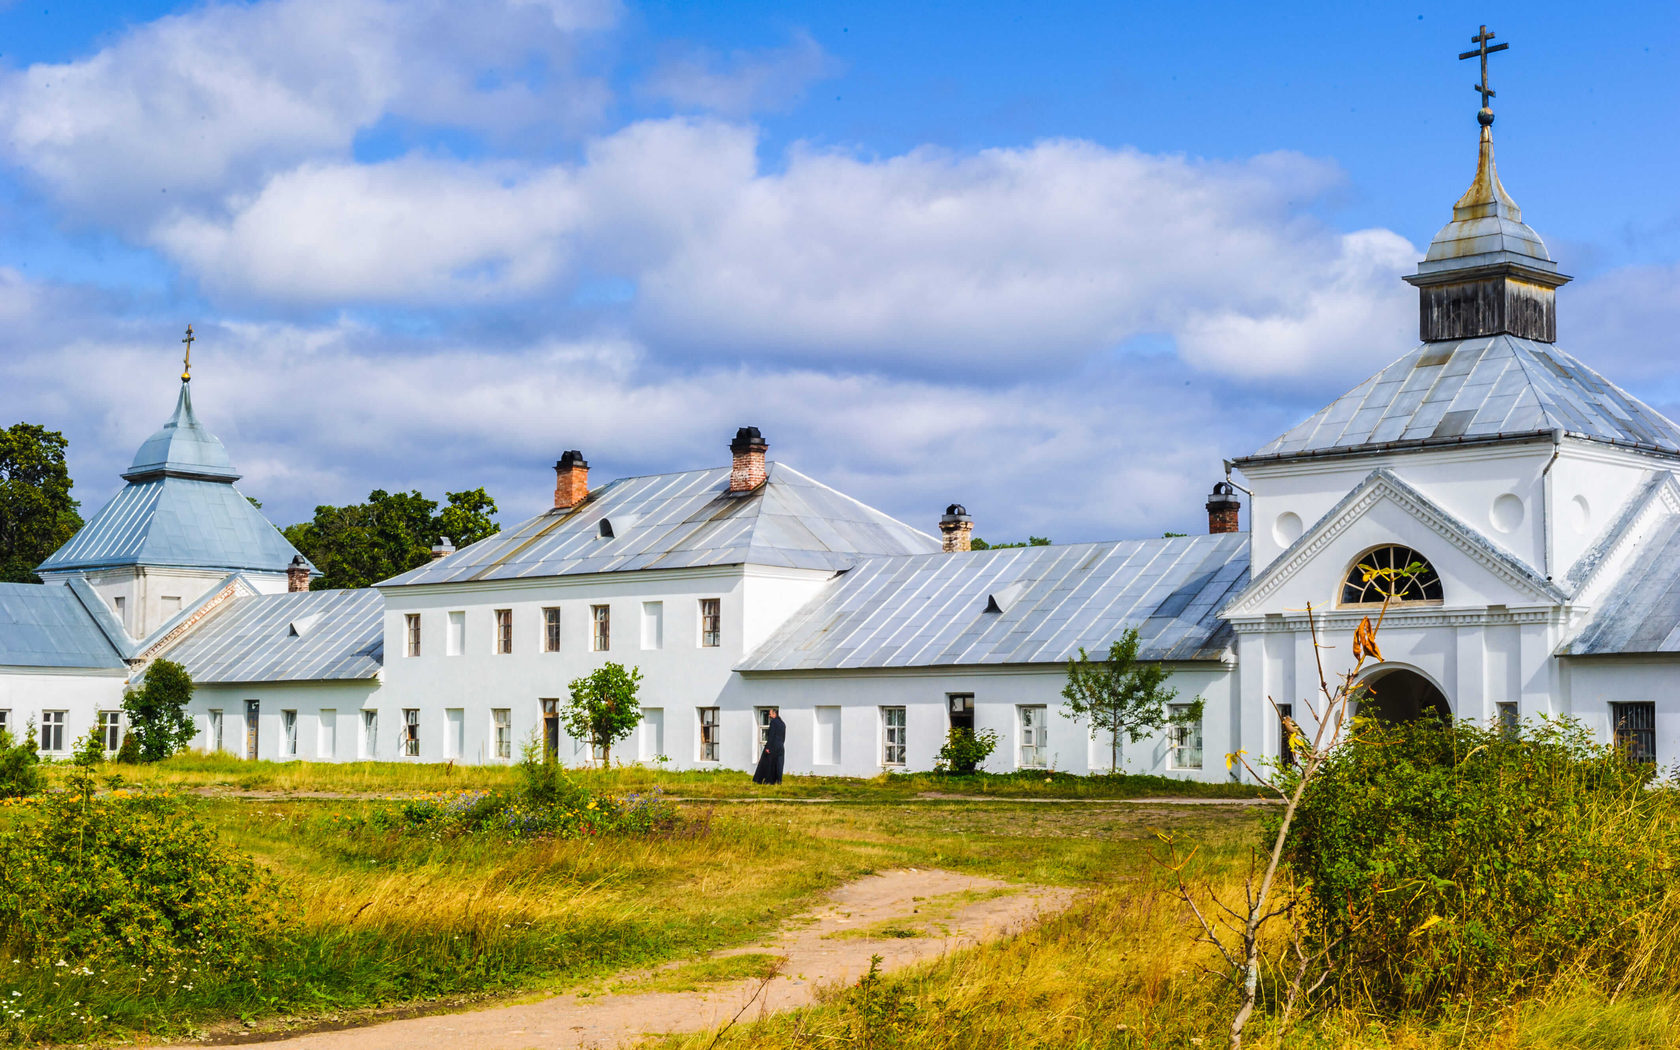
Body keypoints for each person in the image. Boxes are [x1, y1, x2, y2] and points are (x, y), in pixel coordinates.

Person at [752, 707, 786, 785]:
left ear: (774, 714)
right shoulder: (782, 723)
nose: (769, 716)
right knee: (778, 764)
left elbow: (771, 735)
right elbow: (783, 737)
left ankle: (765, 780)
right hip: (780, 746)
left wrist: (768, 747)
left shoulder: (773, 722)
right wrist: (780, 744)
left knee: (767, 762)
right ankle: (779, 780)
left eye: (770, 714)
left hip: (773, 745)